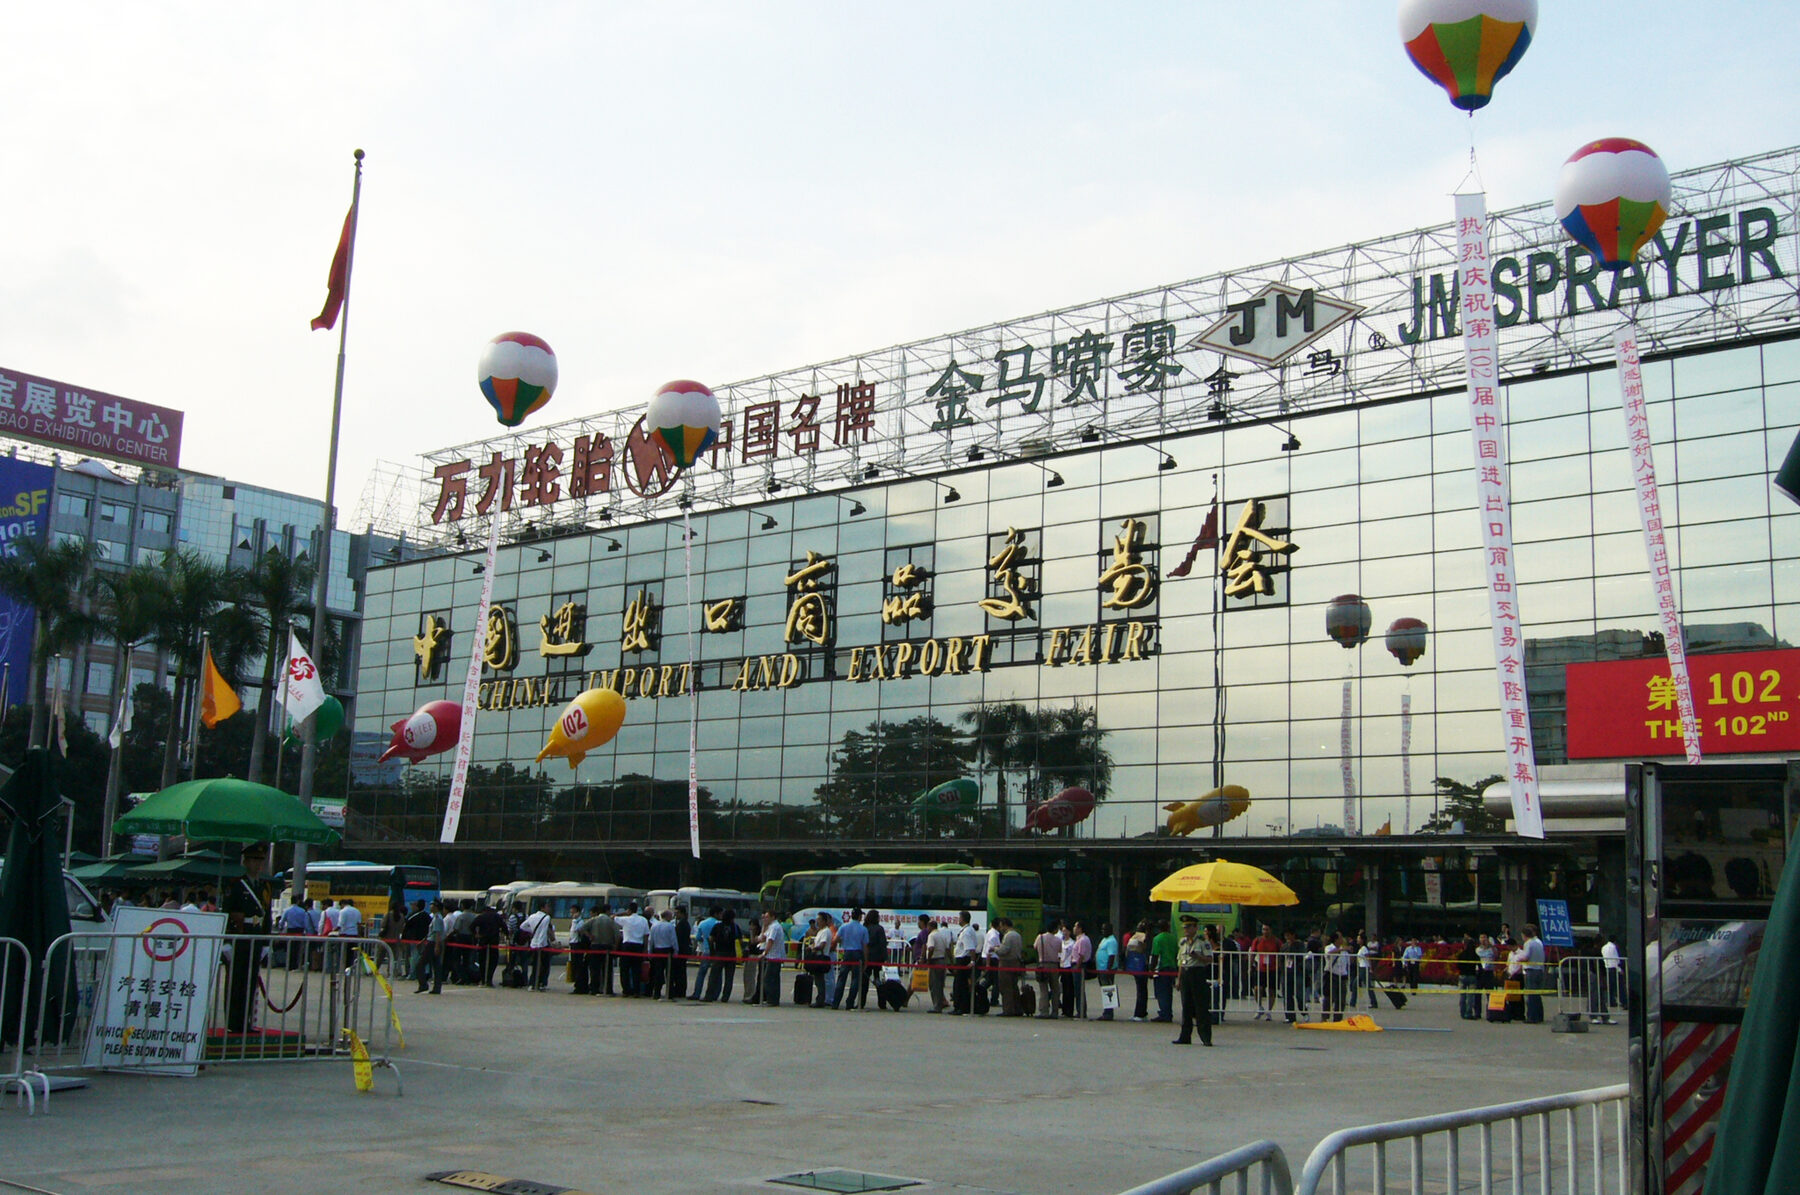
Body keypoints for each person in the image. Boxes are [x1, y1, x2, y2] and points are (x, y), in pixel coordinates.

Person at [222, 843, 272, 1033]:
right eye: (254, 860)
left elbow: (266, 916)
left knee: (250, 981)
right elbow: (227, 912)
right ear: (245, 862)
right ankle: (233, 1023)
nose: (258, 864)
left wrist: (266, 942)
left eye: (260, 860)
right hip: (239, 936)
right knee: (236, 981)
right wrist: (226, 941)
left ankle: (246, 1022)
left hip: (256, 936)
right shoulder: (236, 884)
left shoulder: (265, 885)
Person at [1172, 917, 1214, 1046]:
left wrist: (1198, 957)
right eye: (1185, 927)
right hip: (1185, 973)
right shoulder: (1183, 942)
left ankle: (1205, 1037)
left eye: (1189, 927)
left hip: (1198, 973)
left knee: (1201, 1007)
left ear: (1195, 928)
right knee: (1186, 1007)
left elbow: (1209, 959)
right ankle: (1185, 1036)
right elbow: (1180, 962)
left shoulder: (1202, 942)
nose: (1186, 930)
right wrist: (1179, 980)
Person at [832, 908, 868, 1009]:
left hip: (847, 953)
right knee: (855, 979)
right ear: (860, 916)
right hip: (857, 953)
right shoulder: (863, 929)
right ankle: (850, 1003)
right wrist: (866, 961)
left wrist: (841, 942)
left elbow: (835, 939)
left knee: (842, 978)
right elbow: (865, 946)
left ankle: (836, 1002)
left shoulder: (844, 927)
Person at [703, 909, 742, 1002]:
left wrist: (712, 951)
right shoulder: (735, 927)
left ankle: (709, 996)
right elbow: (740, 940)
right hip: (731, 954)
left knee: (714, 976)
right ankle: (725, 997)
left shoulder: (717, 926)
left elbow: (711, 939)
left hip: (719, 953)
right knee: (729, 977)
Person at [617, 902, 650, 997]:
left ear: (629, 910)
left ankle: (626, 990)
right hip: (638, 946)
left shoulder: (625, 919)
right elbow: (646, 935)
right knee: (636, 970)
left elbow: (613, 917)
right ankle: (636, 991)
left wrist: (623, 913)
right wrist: (645, 949)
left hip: (627, 946)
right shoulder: (643, 920)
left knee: (624, 970)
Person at [950, 910, 980, 1015]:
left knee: (960, 985)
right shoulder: (968, 930)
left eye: (959, 918)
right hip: (963, 958)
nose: (958, 920)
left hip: (963, 959)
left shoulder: (966, 932)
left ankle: (960, 1007)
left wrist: (972, 961)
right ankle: (961, 1006)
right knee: (961, 984)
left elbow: (971, 948)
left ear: (963, 919)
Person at [522, 903, 556, 990]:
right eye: (547, 906)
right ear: (543, 908)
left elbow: (522, 926)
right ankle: (540, 983)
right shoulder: (546, 918)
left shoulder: (532, 916)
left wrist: (532, 931)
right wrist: (541, 944)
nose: (549, 908)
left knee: (535, 965)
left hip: (533, 944)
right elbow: (543, 932)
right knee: (544, 965)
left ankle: (532, 983)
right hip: (542, 945)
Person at [690, 906, 721, 1003]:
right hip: (716, 952)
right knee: (717, 974)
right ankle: (715, 994)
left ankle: (697, 993)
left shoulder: (702, 923)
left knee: (701, 973)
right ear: (716, 914)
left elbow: (698, 937)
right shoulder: (719, 924)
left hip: (706, 951)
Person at [1149, 919, 1178, 1024]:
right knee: (1169, 992)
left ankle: (1164, 1013)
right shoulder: (1173, 938)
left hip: (1162, 968)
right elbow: (1176, 954)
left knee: (1161, 992)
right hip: (1172, 967)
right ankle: (1168, 1012)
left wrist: (1151, 970)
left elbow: (1155, 955)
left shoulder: (1157, 939)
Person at [1032, 922, 1062, 1020]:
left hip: (1042, 964)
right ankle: (1055, 1011)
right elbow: (1060, 951)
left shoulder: (1040, 937)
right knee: (1055, 989)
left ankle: (1044, 1011)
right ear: (1055, 930)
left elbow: (1035, 947)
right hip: (1054, 965)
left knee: (1043, 989)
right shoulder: (1058, 940)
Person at [926, 913, 956, 1013]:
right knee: (940, 984)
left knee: (934, 985)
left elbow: (930, 948)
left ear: (930, 927)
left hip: (935, 961)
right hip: (942, 961)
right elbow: (947, 949)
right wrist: (951, 961)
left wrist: (928, 960)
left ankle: (937, 1006)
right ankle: (940, 1003)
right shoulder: (941, 935)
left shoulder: (931, 935)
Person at [416, 900, 446, 994]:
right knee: (436, 966)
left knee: (420, 965)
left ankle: (423, 984)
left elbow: (437, 933)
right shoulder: (436, 917)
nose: (430, 906)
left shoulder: (437, 918)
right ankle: (437, 987)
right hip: (432, 942)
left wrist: (436, 946)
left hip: (433, 943)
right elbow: (431, 932)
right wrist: (423, 940)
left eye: (432, 905)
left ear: (436, 907)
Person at [995, 917, 1024, 1016]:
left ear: (1004, 924)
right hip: (1016, 962)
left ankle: (1008, 1010)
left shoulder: (1008, 936)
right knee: (1014, 987)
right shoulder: (1017, 935)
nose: (1000, 928)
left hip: (1006, 963)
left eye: (1001, 925)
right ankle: (1017, 1008)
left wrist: (995, 949)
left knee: (1006, 987)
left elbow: (1004, 950)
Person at [759, 911, 788, 1005]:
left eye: (767, 917)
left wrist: (764, 953)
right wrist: (764, 925)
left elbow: (770, 941)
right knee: (773, 979)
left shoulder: (775, 927)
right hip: (773, 956)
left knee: (769, 978)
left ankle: (772, 1000)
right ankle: (773, 999)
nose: (765, 919)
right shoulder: (771, 927)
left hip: (774, 956)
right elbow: (763, 938)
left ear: (773, 917)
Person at [1520, 924, 1547, 1024]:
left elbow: (1526, 957)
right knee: (1536, 994)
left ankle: (1531, 1016)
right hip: (1539, 969)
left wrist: (1519, 959)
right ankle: (1539, 1015)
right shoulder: (1538, 942)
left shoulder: (1528, 943)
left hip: (1531, 969)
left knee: (1531, 995)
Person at [648, 910, 678, 999]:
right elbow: (673, 940)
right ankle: (670, 993)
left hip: (657, 950)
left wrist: (650, 952)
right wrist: (676, 951)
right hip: (667, 950)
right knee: (669, 973)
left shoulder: (654, 926)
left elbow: (651, 940)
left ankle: (656, 992)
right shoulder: (670, 926)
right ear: (667, 916)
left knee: (658, 972)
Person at [862, 909, 888, 1011]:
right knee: (879, 981)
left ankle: (861, 1002)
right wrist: (885, 958)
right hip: (878, 959)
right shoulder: (879, 929)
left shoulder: (865, 928)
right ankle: (882, 1003)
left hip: (867, 958)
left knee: (864, 982)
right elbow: (883, 944)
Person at [1126, 922, 1152, 1022]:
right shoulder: (1137, 936)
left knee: (1141, 990)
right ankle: (1140, 1012)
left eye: (1140, 925)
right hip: (1136, 964)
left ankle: (1140, 1013)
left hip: (1141, 965)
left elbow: (1144, 949)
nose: (1138, 926)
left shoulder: (1144, 937)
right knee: (1140, 989)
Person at [1094, 922, 1119, 1021]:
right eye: (1102, 929)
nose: (1102, 931)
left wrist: (1108, 969)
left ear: (1110, 930)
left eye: (1105, 929)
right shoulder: (1105, 939)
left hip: (1106, 969)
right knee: (1104, 990)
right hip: (1101, 968)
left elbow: (1111, 956)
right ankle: (1106, 1011)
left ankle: (1108, 1013)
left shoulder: (1112, 941)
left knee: (1108, 990)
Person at [1599, 933, 1623, 1022]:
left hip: (1607, 967)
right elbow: (1616, 958)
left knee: (1609, 986)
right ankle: (1619, 1001)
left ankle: (1610, 1000)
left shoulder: (1604, 947)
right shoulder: (1613, 947)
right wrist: (1619, 968)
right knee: (1617, 985)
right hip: (1613, 967)